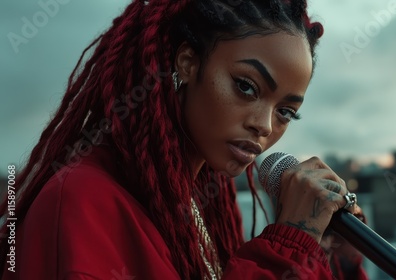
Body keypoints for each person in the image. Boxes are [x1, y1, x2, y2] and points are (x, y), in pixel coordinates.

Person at [0, 0, 368, 279]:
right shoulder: (83, 201)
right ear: (187, 62)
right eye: (246, 87)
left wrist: (333, 257)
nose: (264, 126)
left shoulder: (196, 202)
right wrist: (287, 247)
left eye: (285, 112)